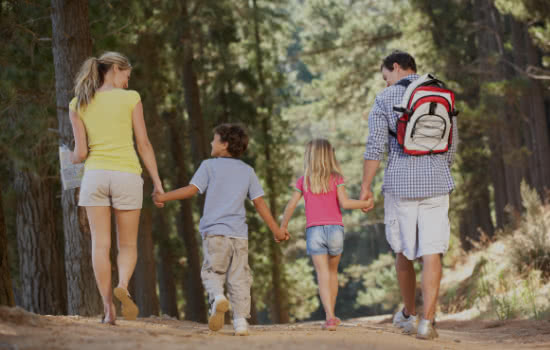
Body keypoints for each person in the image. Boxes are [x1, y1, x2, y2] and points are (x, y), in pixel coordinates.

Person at [153, 123, 287, 336]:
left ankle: (217, 297)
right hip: (239, 236)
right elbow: (259, 203)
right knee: (239, 277)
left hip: (215, 233)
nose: (210, 143)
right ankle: (241, 321)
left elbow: (191, 190)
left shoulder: (208, 166)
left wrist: (163, 197)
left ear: (224, 145)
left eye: (214, 140)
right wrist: (276, 230)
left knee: (213, 271)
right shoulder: (248, 171)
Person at [359, 50, 458, 340]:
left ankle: (409, 314)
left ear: (397, 67)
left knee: (403, 250)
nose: (386, 82)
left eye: (385, 76)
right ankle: (428, 322)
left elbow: (375, 146)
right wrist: (439, 169)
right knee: (432, 251)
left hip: (400, 184)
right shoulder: (441, 92)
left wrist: (366, 186)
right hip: (437, 183)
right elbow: (450, 143)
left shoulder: (385, 98)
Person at [69, 51, 164, 325]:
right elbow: (143, 143)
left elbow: (81, 153)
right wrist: (157, 182)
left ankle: (108, 308)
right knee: (127, 244)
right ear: (114, 69)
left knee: (100, 245)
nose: (127, 81)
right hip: (126, 174)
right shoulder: (131, 98)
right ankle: (123, 284)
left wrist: (70, 158)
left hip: (95, 176)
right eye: (126, 75)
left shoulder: (78, 103)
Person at [279, 139, 373, 331]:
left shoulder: (303, 181)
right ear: (330, 156)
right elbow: (345, 204)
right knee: (332, 273)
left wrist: (283, 227)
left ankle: (329, 317)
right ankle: (333, 315)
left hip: (314, 231)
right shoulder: (336, 178)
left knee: (322, 274)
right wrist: (365, 204)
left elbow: (290, 205)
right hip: (335, 230)